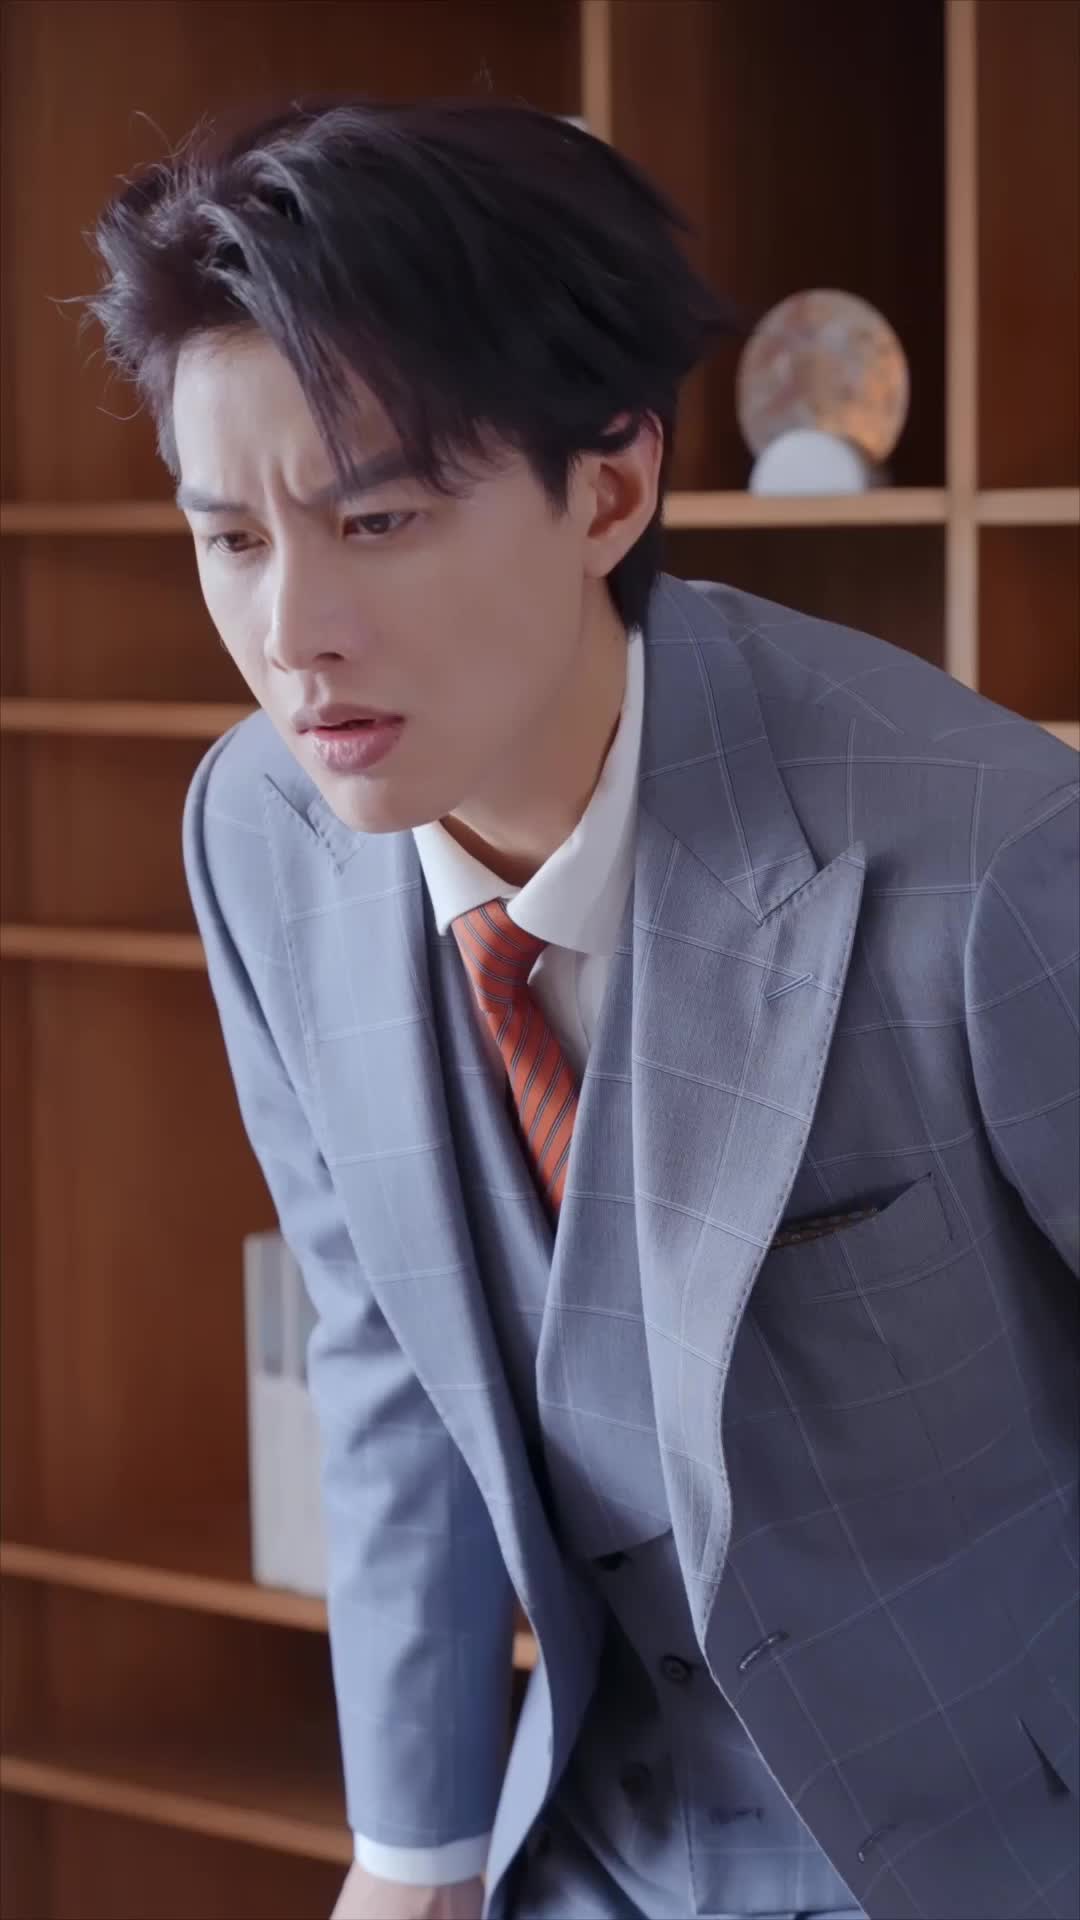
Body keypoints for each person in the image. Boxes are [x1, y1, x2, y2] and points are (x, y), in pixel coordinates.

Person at [79, 95, 1078, 1920]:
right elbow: (386, 1347)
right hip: (597, 1841)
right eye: (230, 540)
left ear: (608, 491)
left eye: (376, 519)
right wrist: (413, 1860)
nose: (294, 634)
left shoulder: (994, 861)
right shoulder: (260, 834)